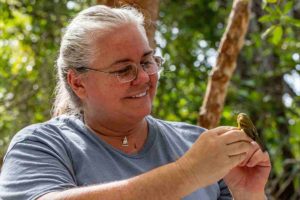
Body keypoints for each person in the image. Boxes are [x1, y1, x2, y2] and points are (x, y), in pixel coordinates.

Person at [0, 5, 271, 200]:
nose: (143, 78)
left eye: (146, 62)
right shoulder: (40, 146)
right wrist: (188, 173)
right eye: (123, 70)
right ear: (78, 82)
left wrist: (248, 194)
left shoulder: (196, 142)